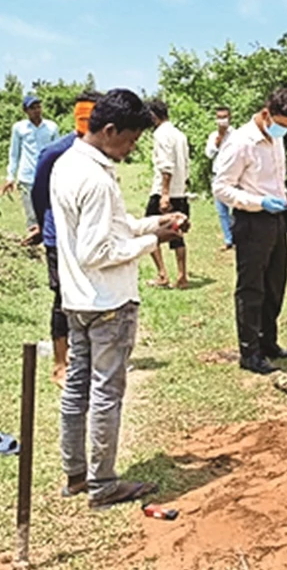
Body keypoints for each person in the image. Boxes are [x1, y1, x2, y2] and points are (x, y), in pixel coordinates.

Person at [50, 89, 185, 509]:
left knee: (77, 387)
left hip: (77, 299)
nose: (132, 148)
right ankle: (103, 483)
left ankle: (76, 474)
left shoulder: (68, 164)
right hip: (107, 301)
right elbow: (98, 251)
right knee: (106, 392)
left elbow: (109, 227)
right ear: (109, 131)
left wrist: (149, 225)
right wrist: (153, 242)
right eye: (129, 139)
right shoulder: (95, 178)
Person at [212, 88, 287, 375]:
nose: (284, 131)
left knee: (276, 283)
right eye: (281, 124)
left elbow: (276, 177)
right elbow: (221, 187)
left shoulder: (275, 139)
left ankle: (268, 342)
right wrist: (258, 202)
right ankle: (249, 352)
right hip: (252, 220)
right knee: (252, 288)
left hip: (276, 219)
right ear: (266, 114)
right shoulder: (240, 142)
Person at [31, 90, 100, 388]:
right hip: (58, 237)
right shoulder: (55, 152)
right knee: (62, 297)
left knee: (90, 295)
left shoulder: (104, 152)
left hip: (91, 236)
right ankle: (60, 364)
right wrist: (43, 223)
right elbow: (39, 194)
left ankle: (85, 356)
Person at [146, 99, 192, 289]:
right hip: (179, 190)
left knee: (149, 231)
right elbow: (186, 163)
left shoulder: (161, 134)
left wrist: (165, 194)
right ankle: (182, 276)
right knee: (176, 234)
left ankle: (162, 274)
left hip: (164, 191)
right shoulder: (179, 134)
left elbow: (166, 166)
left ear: (153, 115)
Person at [2, 94, 59, 231]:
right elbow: (14, 153)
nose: (36, 110)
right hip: (26, 176)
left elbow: (57, 151)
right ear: (25, 111)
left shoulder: (51, 127)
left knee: (49, 212)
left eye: (38, 106)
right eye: (32, 108)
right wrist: (10, 176)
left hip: (47, 176)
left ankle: (49, 242)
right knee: (31, 216)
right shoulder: (19, 128)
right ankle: (33, 247)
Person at [205, 106, 236, 250]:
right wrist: (219, 137)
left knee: (236, 208)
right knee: (222, 211)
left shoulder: (237, 135)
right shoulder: (213, 136)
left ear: (230, 118)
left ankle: (238, 237)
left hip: (234, 176)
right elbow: (209, 154)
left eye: (224, 117)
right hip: (218, 176)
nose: (222, 120)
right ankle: (228, 240)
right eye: (219, 117)